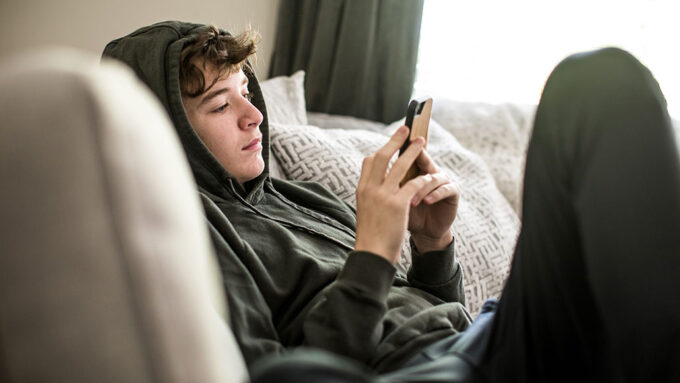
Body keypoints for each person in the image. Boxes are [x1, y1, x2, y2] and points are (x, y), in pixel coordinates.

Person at [104, 21, 680, 382]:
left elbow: (420, 314)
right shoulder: (193, 238)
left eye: (246, 93)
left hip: (479, 338)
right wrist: (374, 252)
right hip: (427, 370)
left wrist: (432, 247)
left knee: (598, 82)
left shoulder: (298, 197)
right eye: (220, 105)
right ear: (166, 128)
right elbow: (285, 373)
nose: (254, 115)